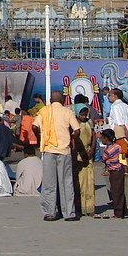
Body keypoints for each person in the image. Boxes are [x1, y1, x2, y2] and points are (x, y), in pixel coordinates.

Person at [33, 90, 80, 221]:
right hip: (64, 150)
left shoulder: (44, 111)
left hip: (48, 149)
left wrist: (41, 137)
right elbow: (77, 130)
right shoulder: (67, 112)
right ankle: (69, 213)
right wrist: (71, 139)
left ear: (50, 100)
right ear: (63, 100)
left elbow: (34, 126)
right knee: (66, 182)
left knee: (49, 183)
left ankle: (50, 212)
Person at [72, 104, 96, 217]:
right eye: (82, 114)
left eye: (85, 114)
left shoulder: (89, 123)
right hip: (78, 155)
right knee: (80, 182)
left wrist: (92, 150)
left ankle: (90, 207)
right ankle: (80, 207)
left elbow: (94, 137)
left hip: (88, 153)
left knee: (89, 181)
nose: (84, 116)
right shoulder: (74, 124)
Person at [99, 128, 126, 219]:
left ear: (106, 138)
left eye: (102, 138)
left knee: (115, 192)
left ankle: (118, 213)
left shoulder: (107, 150)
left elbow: (104, 159)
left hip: (114, 171)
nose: (101, 140)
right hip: (120, 169)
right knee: (120, 190)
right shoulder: (117, 146)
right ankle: (123, 210)